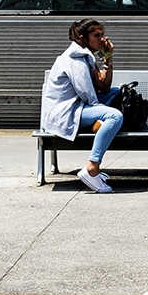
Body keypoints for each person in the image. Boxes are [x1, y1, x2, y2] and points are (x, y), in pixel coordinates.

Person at [40, 18, 122, 193]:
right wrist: (103, 112)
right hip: (66, 113)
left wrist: (108, 58)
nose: (102, 39)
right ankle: (92, 168)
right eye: (96, 35)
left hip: (77, 107)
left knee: (116, 92)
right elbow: (87, 94)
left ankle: (99, 126)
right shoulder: (75, 60)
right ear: (83, 38)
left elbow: (103, 86)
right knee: (115, 116)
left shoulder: (86, 57)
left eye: (102, 34)